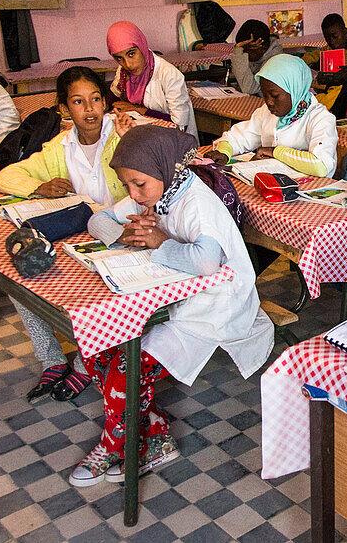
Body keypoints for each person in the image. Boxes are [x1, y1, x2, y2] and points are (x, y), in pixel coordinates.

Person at [72, 126, 273, 486]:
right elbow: (97, 219)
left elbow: (206, 262)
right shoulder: (154, 188)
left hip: (213, 308)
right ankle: (155, 431)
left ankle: (116, 445)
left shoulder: (195, 202)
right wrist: (122, 234)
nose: (133, 195)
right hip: (172, 299)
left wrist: (159, 241)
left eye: (138, 185)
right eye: (127, 185)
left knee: (127, 366)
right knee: (97, 349)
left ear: (163, 169)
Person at [0, 67, 132, 404]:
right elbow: (8, 176)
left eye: (96, 100)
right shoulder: (60, 148)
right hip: (78, 240)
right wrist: (38, 186)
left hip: (119, 236)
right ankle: (52, 360)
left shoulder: (123, 132)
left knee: (96, 292)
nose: (90, 110)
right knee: (18, 277)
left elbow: (146, 182)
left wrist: (128, 141)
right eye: (78, 102)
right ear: (64, 109)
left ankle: (87, 364)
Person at [204, 54, 337, 177]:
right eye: (264, 95)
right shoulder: (267, 112)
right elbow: (240, 136)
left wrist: (275, 152)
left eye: (274, 95)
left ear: (294, 89)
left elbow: (321, 165)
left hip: (310, 190)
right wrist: (224, 152)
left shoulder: (320, 118)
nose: (269, 102)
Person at [106, 21, 196, 137]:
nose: (128, 64)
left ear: (142, 46)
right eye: (119, 58)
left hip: (172, 140)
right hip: (140, 135)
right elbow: (113, 98)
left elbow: (179, 124)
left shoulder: (169, 75)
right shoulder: (124, 72)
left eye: (132, 54)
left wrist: (138, 110)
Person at [230, 19, 284, 95]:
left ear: (262, 48)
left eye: (246, 51)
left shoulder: (275, 61)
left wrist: (238, 52)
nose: (244, 55)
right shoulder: (259, 55)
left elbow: (249, 89)